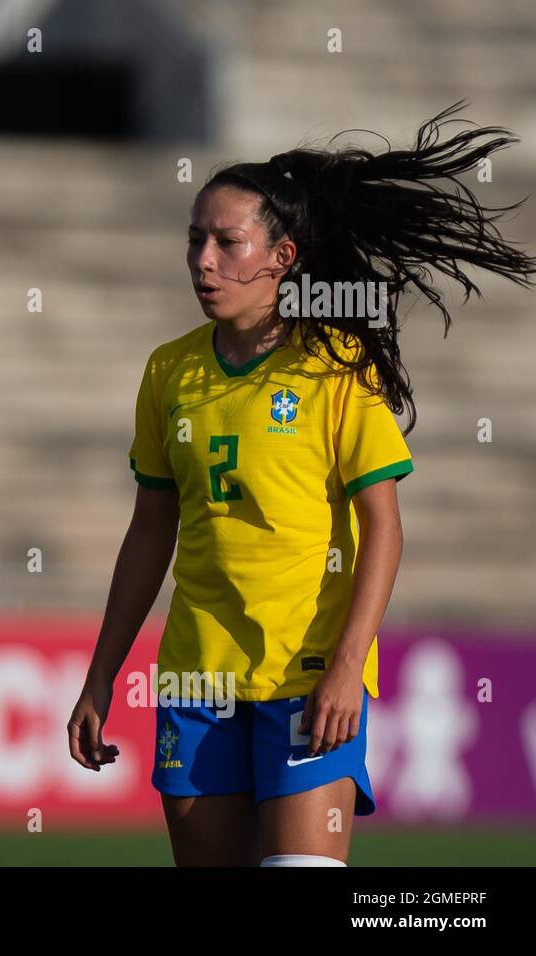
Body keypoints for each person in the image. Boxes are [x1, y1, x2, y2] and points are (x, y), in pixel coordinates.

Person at [67, 102, 536, 866]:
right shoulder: (168, 370)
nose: (203, 262)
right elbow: (150, 530)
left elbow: (383, 527)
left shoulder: (336, 363)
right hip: (198, 684)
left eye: (227, 242)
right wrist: (100, 679)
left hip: (308, 675)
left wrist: (350, 666)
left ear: (283, 257)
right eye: (194, 241)